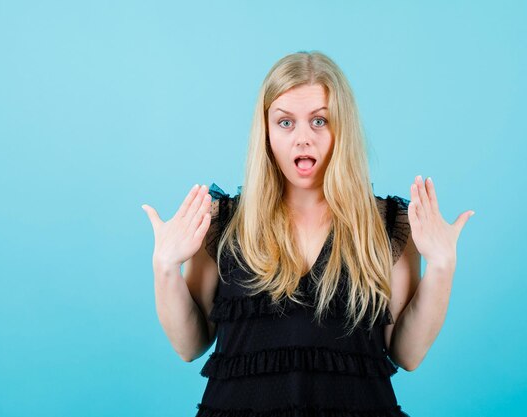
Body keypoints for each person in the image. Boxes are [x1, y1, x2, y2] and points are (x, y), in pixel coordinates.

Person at [143, 50, 474, 417]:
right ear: (266, 133)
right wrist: (164, 267)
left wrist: (442, 267)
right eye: (285, 123)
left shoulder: (389, 224)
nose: (303, 138)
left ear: (342, 129)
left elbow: (406, 355)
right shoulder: (223, 223)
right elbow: (190, 346)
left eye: (320, 121)